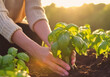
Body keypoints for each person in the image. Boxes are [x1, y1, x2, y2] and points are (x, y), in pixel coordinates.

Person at [0, 0, 76, 76]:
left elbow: (35, 11)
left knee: (34, 35)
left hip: (15, 25)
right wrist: (35, 50)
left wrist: (55, 44)